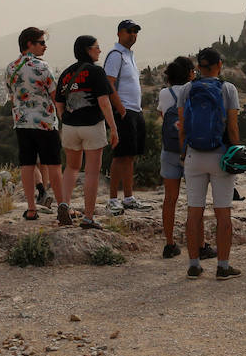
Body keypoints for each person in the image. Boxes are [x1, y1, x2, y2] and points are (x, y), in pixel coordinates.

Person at [174, 47, 242, 280]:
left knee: (194, 212)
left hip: (193, 155)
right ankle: (223, 266)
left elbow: (183, 126)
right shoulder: (228, 89)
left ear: (198, 68)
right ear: (219, 65)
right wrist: (237, 151)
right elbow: (232, 127)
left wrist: (184, 154)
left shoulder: (186, 89)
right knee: (223, 214)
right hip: (220, 155)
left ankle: (194, 265)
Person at [55, 35, 119, 230]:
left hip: (70, 127)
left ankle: (64, 204)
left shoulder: (66, 73)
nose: (99, 50)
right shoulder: (96, 71)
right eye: (96, 47)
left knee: (71, 167)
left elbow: (59, 103)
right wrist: (113, 128)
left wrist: (65, 119)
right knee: (92, 171)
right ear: (87, 50)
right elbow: (104, 102)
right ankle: (88, 218)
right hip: (92, 125)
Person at [156, 56, 217, 260]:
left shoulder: (164, 93)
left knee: (170, 199)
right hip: (191, 150)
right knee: (195, 200)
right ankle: (200, 245)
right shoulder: (194, 89)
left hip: (169, 150)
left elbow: (164, 117)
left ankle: (170, 244)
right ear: (190, 73)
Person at [5, 28, 68, 222]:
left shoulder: (10, 67)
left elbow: (10, 92)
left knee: (27, 164)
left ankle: (31, 209)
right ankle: (62, 206)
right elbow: (54, 94)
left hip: (22, 122)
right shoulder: (42, 67)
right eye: (41, 42)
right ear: (29, 44)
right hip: (44, 122)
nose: (45, 46)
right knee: (54, 164)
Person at [104, 19, 151, 214]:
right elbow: (109, 83)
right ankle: (113, 199)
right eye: (129, 31)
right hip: (124, 111)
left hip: (135, 110)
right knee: (120, 154)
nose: (133, 34)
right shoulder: (116, 55)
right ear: (119, 33)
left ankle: (129, 197)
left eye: (135, 31)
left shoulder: (129, 55)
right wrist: (120, 109)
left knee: (130, 155)